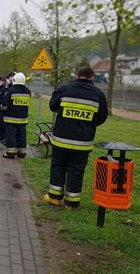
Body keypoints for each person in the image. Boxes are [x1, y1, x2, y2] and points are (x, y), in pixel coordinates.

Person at [43, 67, 108, 209]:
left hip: (61, 139)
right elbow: (102, 117)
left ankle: (54, 197)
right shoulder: (98, 95)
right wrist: (88, 124)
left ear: (76, 75)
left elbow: (52, 105)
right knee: (76, 170)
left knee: (58, 167)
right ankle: (71, 203)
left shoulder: (65, 89)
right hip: (82, 142)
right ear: (92, 77)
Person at [1, 72, 31, 158]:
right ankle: (22, 152)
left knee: (11, 136)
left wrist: (3, 112)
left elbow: (4, 105)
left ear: (14, 80)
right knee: (22, 136)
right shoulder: (27, 91)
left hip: (10, 119)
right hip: (23, 119)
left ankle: (10, 153)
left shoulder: (10, 90)